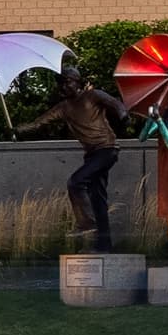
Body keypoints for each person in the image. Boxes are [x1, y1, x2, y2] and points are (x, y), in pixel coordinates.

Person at [50, 43, 124, 248]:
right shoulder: (64, 107)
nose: (63, 87)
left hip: (107, 150)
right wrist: (18, 130)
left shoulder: (93, 96)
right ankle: (104, 244)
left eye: (66, 83)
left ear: (76, 82)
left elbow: (116, 104)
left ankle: (87, 223)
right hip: (92, 155)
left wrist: (123, 114)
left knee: (76, 182)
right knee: (98, 198)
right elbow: (41, 121)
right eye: (60, 84)